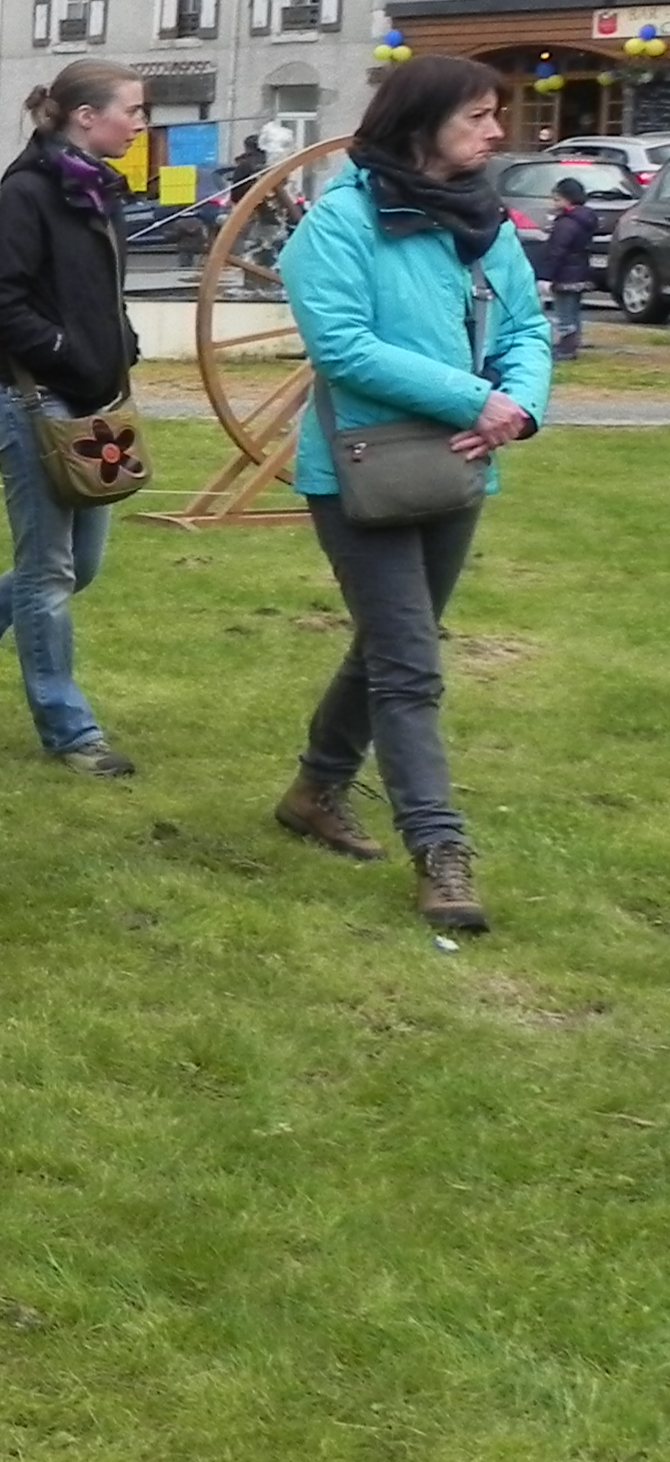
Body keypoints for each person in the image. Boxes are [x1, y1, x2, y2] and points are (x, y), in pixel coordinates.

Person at [271, 54, 547, 935]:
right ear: (420, 122)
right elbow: (343, 346)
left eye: (496, 114)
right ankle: (440, 847)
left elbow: (527, 329)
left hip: (458, 465)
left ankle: (315, 788)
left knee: (394, 646)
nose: (496, 132)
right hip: (362, 471)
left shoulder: (481, 220)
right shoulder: (341, 223)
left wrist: (518, 408)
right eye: (478, 116)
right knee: (410, 667)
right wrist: (474, 400)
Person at [0, 59, 147, 777]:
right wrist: (68, 353)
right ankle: (70, 730)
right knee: (49, 570)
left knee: (73, 567)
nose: (140, 123)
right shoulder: (28, 193)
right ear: (86, 117)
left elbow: (101, 293)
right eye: (132, 110)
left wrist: (119, 343)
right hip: (29, 401)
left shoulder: (99, 190)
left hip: (91, 403)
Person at [539, 174, 600, 362]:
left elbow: (556, 251)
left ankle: (566, 347)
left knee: (564, 312)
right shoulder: (585, 219)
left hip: (565, 274)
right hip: (579, 272)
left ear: (567, 199)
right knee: (573, 311)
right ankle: (573, 343)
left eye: (557, 199)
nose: (554, 203)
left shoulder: (565, 223)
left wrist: (546, 276)